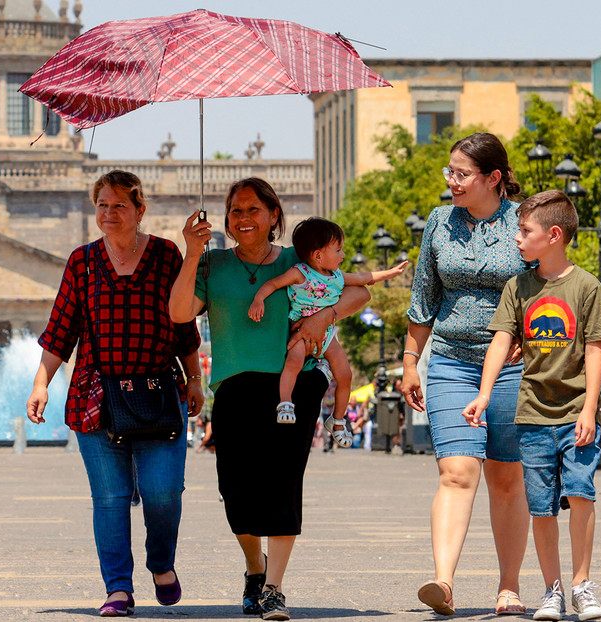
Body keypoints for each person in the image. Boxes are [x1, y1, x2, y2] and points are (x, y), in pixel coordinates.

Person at [170, 177, 369, 621]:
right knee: (234, 490)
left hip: (293, 384)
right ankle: (254, 568)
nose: (244, 218)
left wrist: (324, 316)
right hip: (235, 387)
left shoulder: (302, 258)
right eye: (236, 210)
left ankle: (274, 589)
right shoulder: (213, 263)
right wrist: (192, 251)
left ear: (274, 215)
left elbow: (361, 291)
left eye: (254, 209)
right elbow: (180, 312)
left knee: (283, 482)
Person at [27, 170, 204, 617]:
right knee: (109, 499)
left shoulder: (166, 256)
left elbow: (184, 324)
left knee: (165, 493)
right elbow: (61, 330)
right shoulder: (82, 262)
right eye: (102, 205)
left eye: (119, 205)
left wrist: (195, 377)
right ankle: (118, 589)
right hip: (96, 398)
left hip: (160, 393)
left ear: (140, 210)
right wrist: (41, 383)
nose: (109, 213)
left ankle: (161, 563)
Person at [463, 189, 601, 620]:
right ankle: (553, 589)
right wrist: (485, 393)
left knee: (581, 495)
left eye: (524, 231)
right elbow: (502, 341)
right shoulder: (518, 286)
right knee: (541, 506)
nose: (516, 237)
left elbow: (594, 352)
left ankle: (582, 584)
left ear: (552, 235)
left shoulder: (586, 286)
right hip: (531, 415)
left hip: (575, 414)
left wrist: (589, 408)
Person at [401, 132, 531, 616]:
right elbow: (423, 298)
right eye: (449, 172)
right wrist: (412, 362)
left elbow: (549, 286)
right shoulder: (439, 222)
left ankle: (509, 587)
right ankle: (443, 582)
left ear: (493, 178)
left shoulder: (525, 223)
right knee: (456, 471)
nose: (452, 182)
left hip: (515, 370)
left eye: (461, 174)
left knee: (505, 478)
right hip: (452, 362)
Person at [249, 217, 405, 445]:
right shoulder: (299, 273)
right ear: (318, 255)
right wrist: (258, 300)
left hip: (328, 332)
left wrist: (389, 273)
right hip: (301, 329)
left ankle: (338, 420)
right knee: (293, 361)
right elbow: (273, 284)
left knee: (345, 374)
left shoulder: (338, 277)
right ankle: (285, 402)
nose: (343, 255)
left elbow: (365, 279)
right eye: (339, 250)